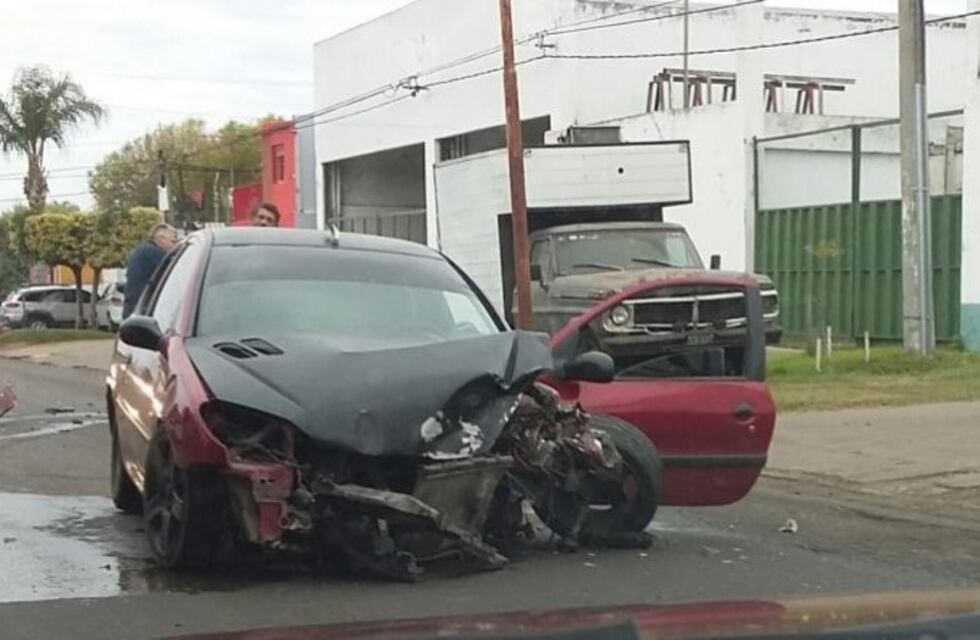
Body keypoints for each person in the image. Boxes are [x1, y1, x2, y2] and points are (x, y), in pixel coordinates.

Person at [123, 223, 178, 319]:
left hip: (133, 309)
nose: (175, 246)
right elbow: (175, 277)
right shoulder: (156, 254)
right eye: (173, 242)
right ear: (161, 239)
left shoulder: (142, 250)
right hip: (145, 311)